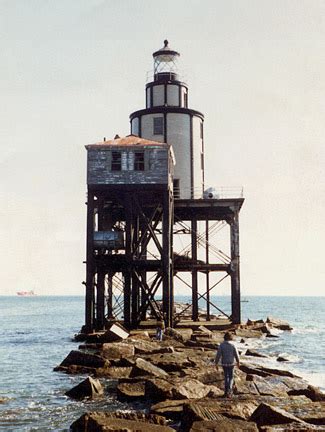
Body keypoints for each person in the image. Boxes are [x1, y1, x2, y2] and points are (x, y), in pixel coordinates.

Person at [215, 332, 240, 398]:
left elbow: (218, 355)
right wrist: (238, 362)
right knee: (231, 377)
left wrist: (216, 363)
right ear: (230, 337)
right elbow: (236, 354)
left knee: (226, 377)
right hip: (231, 363)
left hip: (224, 363)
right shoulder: (233, 345)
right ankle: (229, 390)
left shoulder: (221, 345)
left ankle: (226, 391)